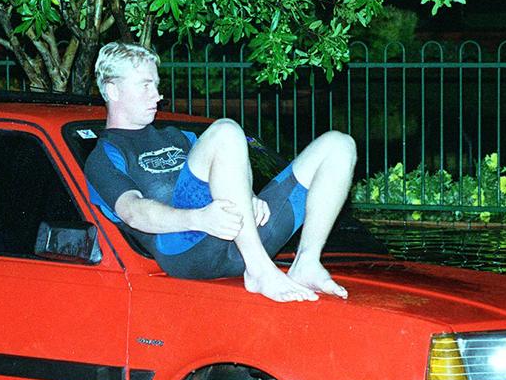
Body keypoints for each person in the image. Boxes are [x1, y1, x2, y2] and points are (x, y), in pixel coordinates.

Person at [84, 42, 358, 303]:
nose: (157, 95)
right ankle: (259, 270)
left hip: (237, 236)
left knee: (338, 145)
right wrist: (200, 219)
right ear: (113, 90)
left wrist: (248, 196)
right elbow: (133, 212)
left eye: (156, 84)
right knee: (225, 130)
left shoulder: (178, 136)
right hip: (186, 250)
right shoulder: (105, 155)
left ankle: (306, 262)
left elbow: (229, 169)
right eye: (145, 85)